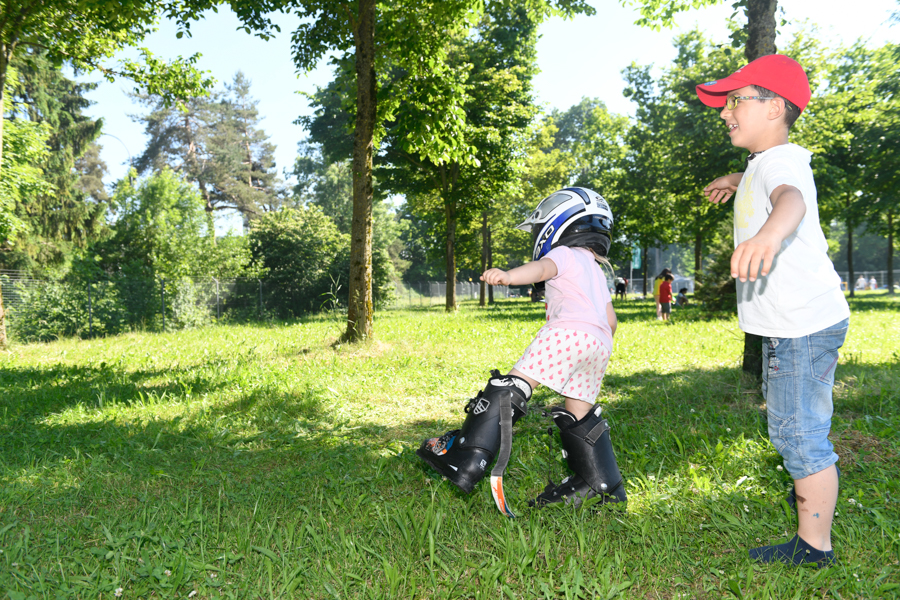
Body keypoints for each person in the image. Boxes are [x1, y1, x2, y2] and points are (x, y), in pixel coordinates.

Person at [699, 54, 850, 568]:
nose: (725, 112)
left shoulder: (781, 165)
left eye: (736, 101)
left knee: (798, 434)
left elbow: (791, 199)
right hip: (797, 322)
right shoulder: (763, 163)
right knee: (796, 424)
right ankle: (813, 489)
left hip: (800, 324)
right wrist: (734, 179)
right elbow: (763, 179)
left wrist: (768, 234)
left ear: (774, 107)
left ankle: (814, 545)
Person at [416, 187, 626, 513]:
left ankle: (467, 456)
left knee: (514, 386)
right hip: (599, 345)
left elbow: (541, 270)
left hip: (568, 333)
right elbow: (611, 320)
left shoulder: (564, 254)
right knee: (579, 412)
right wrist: (594, 346)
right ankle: (598, 485)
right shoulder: (597, 271)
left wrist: (508, 276)